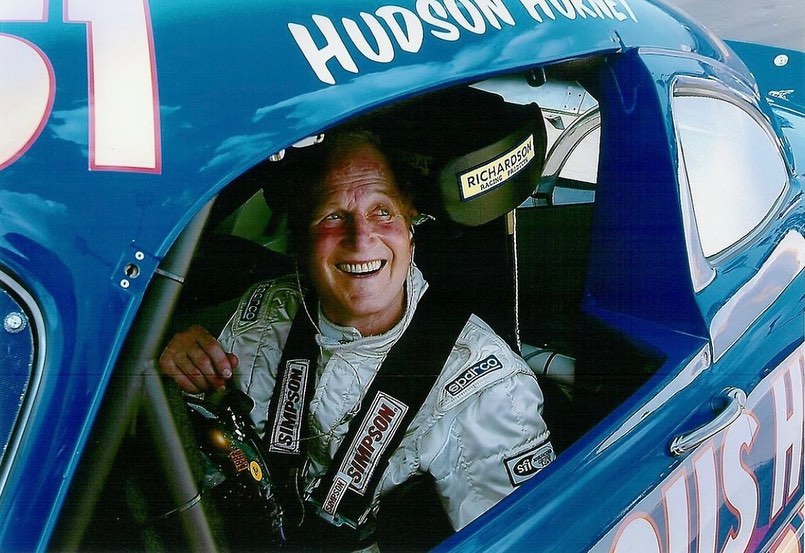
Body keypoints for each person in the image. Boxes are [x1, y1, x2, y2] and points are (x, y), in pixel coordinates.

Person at [159, 129, 553, 549]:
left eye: (382, 211)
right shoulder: (268, 309)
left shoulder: (488, 386)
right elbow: (203, 437)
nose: (361, 238)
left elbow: (525, 542)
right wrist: (176, 368)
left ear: (411, 225)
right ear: (304, 235)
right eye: (333, 215)